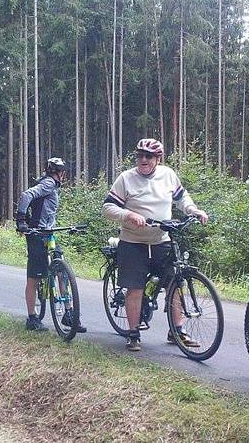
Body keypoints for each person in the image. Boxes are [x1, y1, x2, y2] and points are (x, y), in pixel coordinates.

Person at [102, 139, 208, 352]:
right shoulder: (126, 179)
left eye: (148, 156)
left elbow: (182, 198)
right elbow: (108, 208)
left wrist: (193, 210)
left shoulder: (168, 175)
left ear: (158, 159)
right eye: (139, 155)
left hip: (161, 240)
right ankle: (133, 333)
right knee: (135, 289)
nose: (143, 159)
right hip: (133, 242)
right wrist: (128, 214)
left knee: (175, 284)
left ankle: (177, 331)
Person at [15, 157, 86, 333]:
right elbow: (26, 195)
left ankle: (69, 314)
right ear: (59, 173)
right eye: (63, 172)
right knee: (34, 277)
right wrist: (21, 220)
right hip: (37, 234)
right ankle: (32, 318)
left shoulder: (52, 185)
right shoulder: (48, 183)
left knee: (62, 270)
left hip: (49, 233)